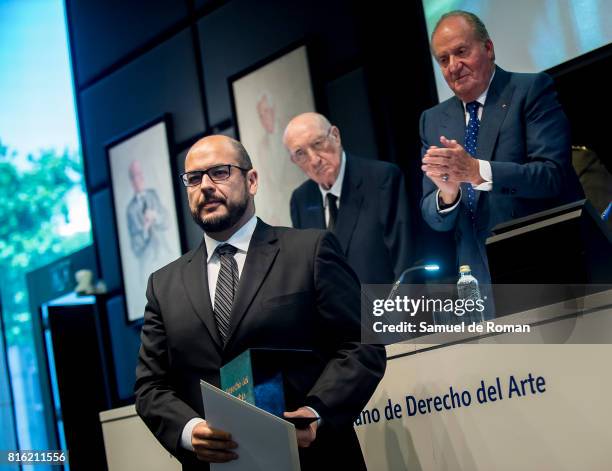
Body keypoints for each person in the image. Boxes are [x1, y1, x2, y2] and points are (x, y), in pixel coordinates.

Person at [134, 135, 386, 471]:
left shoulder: (310, 251)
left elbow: (361, 345)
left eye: (220, 173)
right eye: (194, 178)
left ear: (251, 181)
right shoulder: (163, 286)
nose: (205, 186)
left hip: (313, 457)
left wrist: (316, 411)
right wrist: (190, 431)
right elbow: (151, 386)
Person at [420, 10, 583, 293]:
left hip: (544, 266)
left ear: (488, 48)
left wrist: (477, 172)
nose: (453, 66)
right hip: (477, 280)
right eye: (443, 60)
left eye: (461, 52)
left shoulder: (530, 90)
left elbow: (551, 175)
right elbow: (433, 215)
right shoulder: (433, 120)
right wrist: (448, 195)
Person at [284, 112, 413, 285]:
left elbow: (405, 264)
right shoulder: (301, 199)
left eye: (317, 143)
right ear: (294, 160)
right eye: (300, 153)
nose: (314, 160)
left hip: (383, 306)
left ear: (335, 136)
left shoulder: (382, 179)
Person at [126, 160, 170, 271]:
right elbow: (135, 247)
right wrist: (145, 229)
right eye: (135, 176)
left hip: (165, 253)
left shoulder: (153, 195)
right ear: (131, 181)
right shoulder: (130, 210)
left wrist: (155, 216)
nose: (139, 179)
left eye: (140, 174)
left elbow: (167, 221)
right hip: (148, 262)